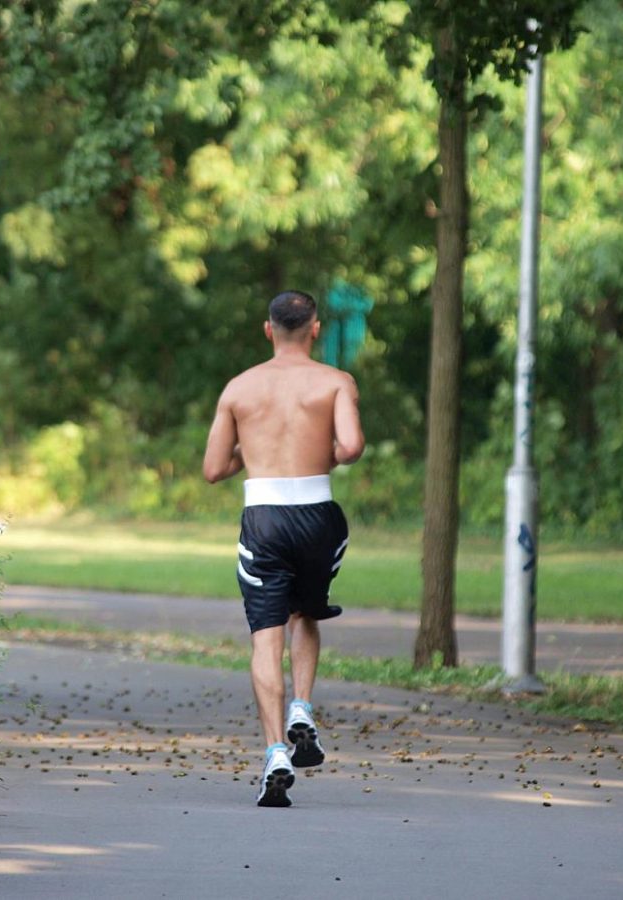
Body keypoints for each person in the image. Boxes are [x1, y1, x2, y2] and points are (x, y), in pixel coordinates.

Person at [202, 289, 365, 807]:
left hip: (264, 518)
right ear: (315, 328)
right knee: (306, 612)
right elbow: (352, 448)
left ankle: (275, 750)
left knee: (265, 637)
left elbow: (212, 470)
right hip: (319, 515)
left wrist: (252, 452)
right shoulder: (336, 382)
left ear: (268, 329)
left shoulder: (238, 389)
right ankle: (303, 707)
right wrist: (325, 451)